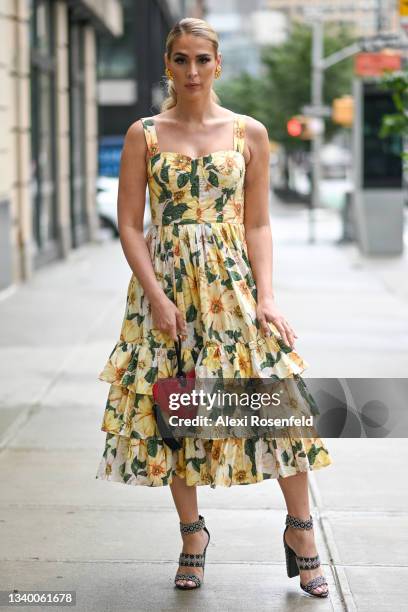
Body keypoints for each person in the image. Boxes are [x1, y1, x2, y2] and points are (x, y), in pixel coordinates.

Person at [95, 17, 333, 598]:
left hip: (233, 288)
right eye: (180, 59)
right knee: (180, 409)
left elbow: (257, 223)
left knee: (277, 405)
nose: (192, 71)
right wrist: (155, 297)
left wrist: (266, 296)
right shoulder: (143, 134)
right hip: (167, 288)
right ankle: (192, 534)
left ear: (218, 64)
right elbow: (129, 224)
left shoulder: (249, 133)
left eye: (202, 59)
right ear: (168, 65)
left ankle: (301, 532)